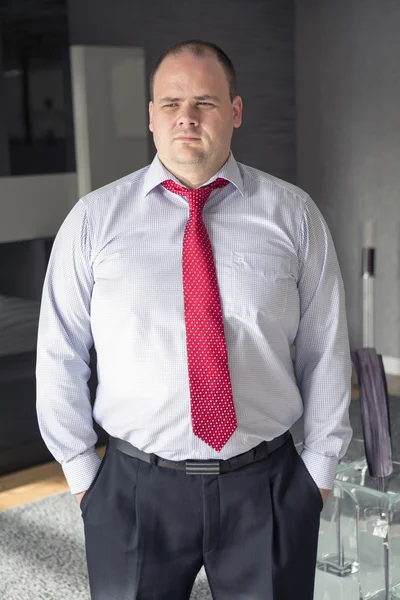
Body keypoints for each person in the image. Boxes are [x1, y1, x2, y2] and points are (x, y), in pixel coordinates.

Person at [36, 40, 352, 600]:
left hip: (268, 486)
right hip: (132, 490)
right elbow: (59, 351)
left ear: (234, 112)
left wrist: (319, 468)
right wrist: (84, 474)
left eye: (205, 102)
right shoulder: (93, 221)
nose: (186, 116)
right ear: (151, 117)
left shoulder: (294, 215)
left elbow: (325, 346)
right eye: (170, 103)